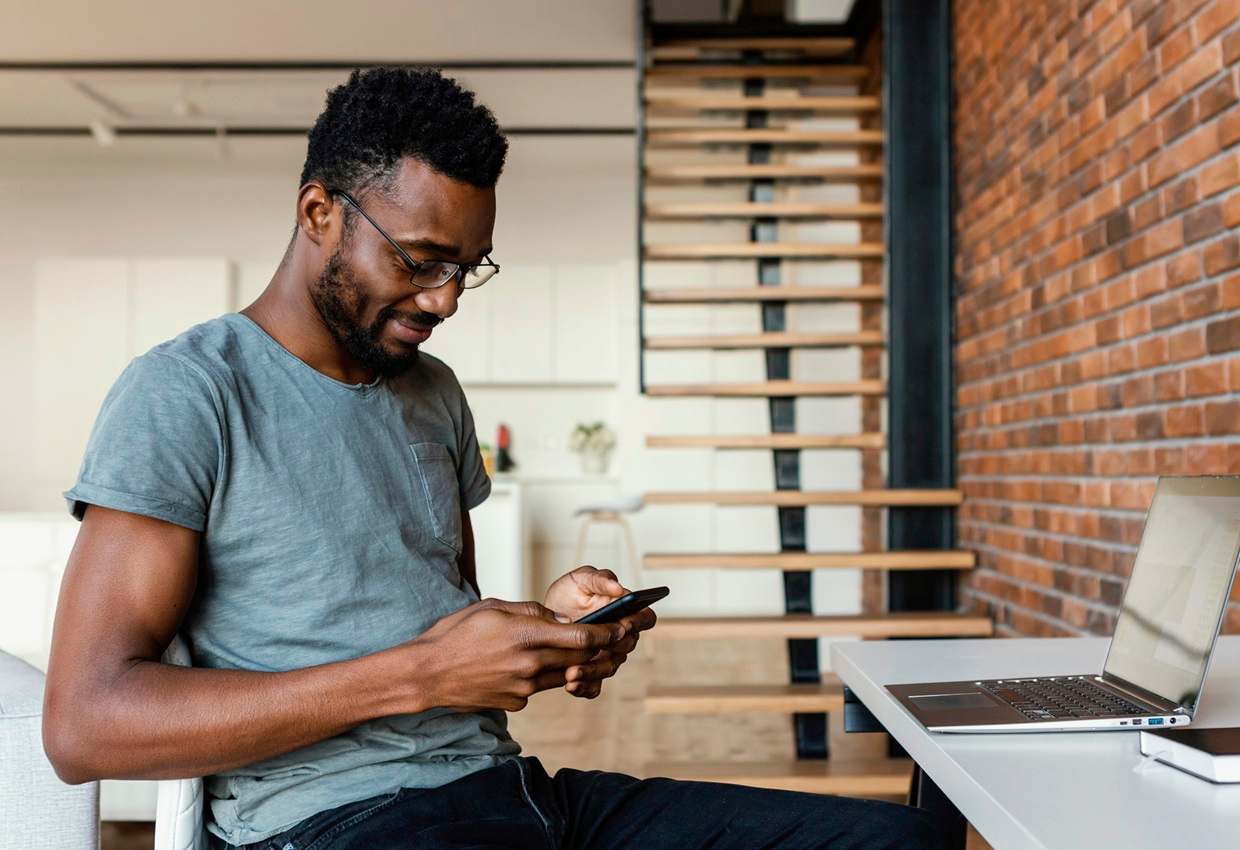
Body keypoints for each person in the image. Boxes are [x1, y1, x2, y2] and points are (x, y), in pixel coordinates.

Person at [42, 67, 943, 849]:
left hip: (510, 796)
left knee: (906, 837)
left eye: (470, 267)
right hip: (333, 823)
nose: (447, 299)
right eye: (423, 261)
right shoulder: (187, 392)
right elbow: (86, 724)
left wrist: (544, 632)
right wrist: (426, 673)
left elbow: (442, 615)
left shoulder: (432, 392)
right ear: (319, 211)